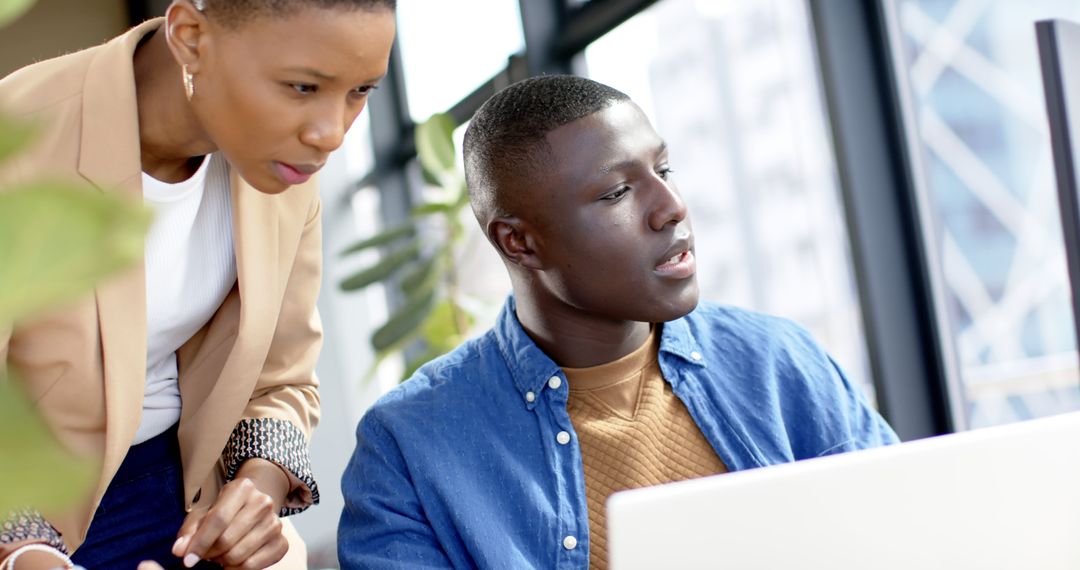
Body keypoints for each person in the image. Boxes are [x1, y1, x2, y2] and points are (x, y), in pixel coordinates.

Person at [337, 75, 899, 569]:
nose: (670, 205)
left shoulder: (778, 360)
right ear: (520, 242)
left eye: (663, 168)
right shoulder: (408, 445)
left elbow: (903, 536)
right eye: (617, 192)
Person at [0, 0, 395, 568]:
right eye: (304, 87)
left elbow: (280, 380)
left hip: (184, 495)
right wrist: (28, 554)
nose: (330, 133)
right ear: (189, 36)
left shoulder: (282, 162)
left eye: (362, 91)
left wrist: (257, 490)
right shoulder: (20, 138)